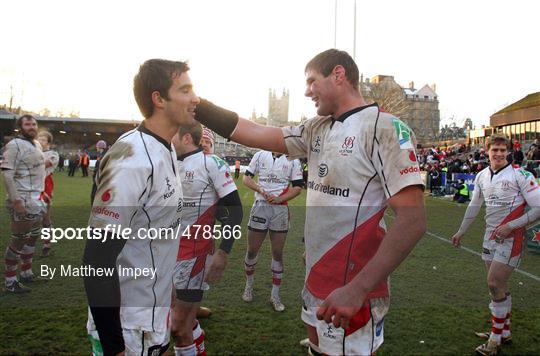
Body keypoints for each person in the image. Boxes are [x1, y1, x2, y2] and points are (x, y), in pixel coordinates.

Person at [194, 49, 426, 355]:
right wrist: (197, 107)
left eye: (312, 81)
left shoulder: (384, 128)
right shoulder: (316, 127)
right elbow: (255, 133)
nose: (306, 91)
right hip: (316, 277)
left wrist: (357, 290)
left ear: (339, 75)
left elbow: (413, 221)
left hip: (351, 287)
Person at [83, 59, 198, 356]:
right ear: (158, 99)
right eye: (185, 90)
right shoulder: (132, 158)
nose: (195, 98)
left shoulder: (167, 148)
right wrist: (114, 346)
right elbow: (97, 258)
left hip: (152, 319)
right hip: (128, 328)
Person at [451, 134, 540, 356]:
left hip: (511, 238)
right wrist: (461, 231)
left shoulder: (521, 175)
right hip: (489, 236)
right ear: (487, 151)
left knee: (493, 283)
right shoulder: (481, 176)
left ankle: (494, 340)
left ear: (509, 152)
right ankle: (504, 332)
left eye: (503, 150)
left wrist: (511, 226)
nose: (499, 153)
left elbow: (538, 208)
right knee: (498, 288)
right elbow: (474, 207)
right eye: (495, 150)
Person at [170, 121, 243, 356]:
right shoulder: (167, 162)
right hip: (165, 252)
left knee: (177, 328)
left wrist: (223, 253)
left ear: (186, 138)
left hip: (195, 255)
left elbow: (235, 211)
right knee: (183, 322)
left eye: (173, 133)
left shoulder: (211, 163)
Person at [241, 150, 303, 311]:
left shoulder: (293, 159)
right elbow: (246, 178)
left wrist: (279, 199)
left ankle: (275, 295)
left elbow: (297, 188)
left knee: (277, 253)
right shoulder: (260, 155)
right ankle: (249, 285)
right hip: (260, 207)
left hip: (280, 210)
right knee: (252, 250)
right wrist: (261, 190)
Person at [1, 114, 46, 293]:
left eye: (34, 124)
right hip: (22, 198)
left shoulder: (37, 144)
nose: (32, 127)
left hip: (36, 198)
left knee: (33, 235)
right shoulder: (14, 145)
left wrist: (43, 194)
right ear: (20, 127)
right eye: (27, 124)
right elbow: (7, 174)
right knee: (18, 240)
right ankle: (10, 281)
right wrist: (16, 200)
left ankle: (26, 272)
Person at [37, 130, 59, 257]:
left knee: (45, 218)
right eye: (39, 138)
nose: (40, 141)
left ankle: (47, 244)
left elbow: (42, 166)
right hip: (32, 187)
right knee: (31, 218)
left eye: (43, 139)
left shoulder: (53, 154)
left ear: (48, 142)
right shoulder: (34, 152)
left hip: (45, 188)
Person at [90, 140, 108, 205]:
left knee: (94, 195)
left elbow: (102, 168)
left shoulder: (103, 157)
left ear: (100, 147)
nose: (96, 148)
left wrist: (95, 172)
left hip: (99, 180)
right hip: (99, 179)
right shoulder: (102, 156)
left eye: (97, 146)